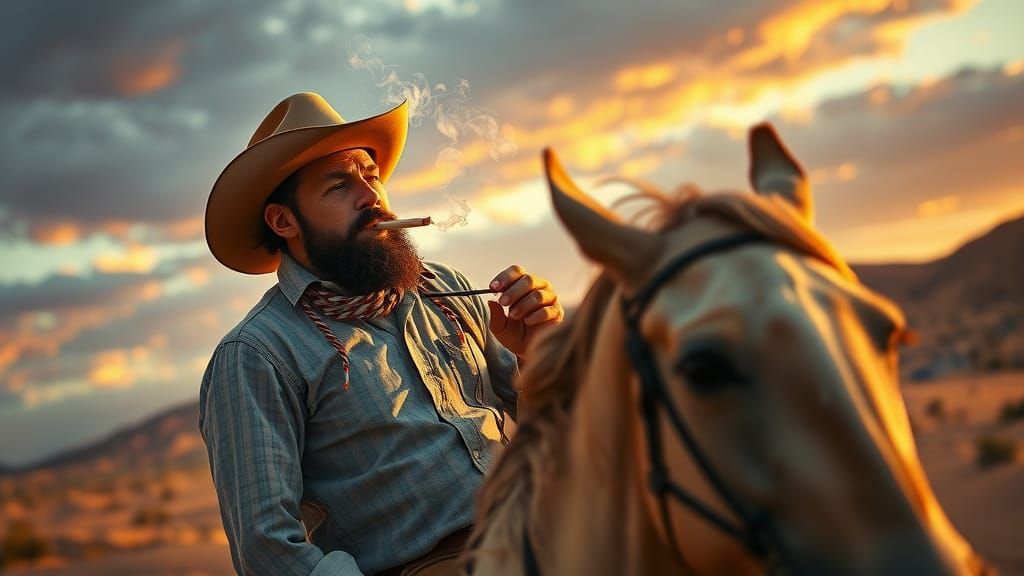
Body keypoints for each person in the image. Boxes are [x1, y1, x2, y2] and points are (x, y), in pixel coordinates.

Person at [199, 92, 564, 576]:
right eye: (339, 185)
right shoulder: (258, 353)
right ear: (283, 221)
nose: (371, 196)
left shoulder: (443, 289)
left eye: (371, 176)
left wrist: (538, 356)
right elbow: (266, 546)